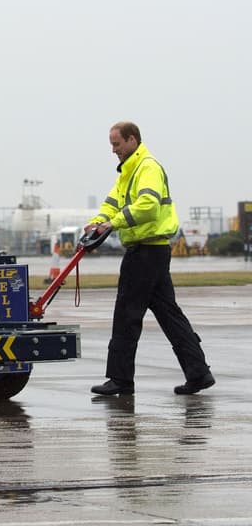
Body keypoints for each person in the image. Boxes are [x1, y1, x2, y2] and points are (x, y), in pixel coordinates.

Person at [85, 121, 214, 396]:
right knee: (170, 316)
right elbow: (111, 203)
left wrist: (113, 224)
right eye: (111, 145)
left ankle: (120, 379)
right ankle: (199, 373)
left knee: (126, 314)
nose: (113, 150)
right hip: (152, 251)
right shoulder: (128, 170)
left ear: (132, 140)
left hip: (145, 251)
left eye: (117, 144)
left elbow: (148, 206)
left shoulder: (148, 167)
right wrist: (97, 221)